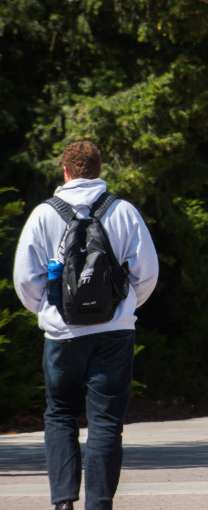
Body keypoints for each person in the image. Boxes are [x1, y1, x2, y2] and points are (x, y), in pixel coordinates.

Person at [13, 141, 159, 510]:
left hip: (62, 335)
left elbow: (25, 280)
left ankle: (63, 502)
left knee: (60, 413)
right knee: (106, 420)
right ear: (98, 168)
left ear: (65, 171)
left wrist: (48, 311)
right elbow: (148, 273)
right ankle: (99, 503)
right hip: (114, 334)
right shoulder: (123, 211)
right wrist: (122, 308)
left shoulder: (44, 215)